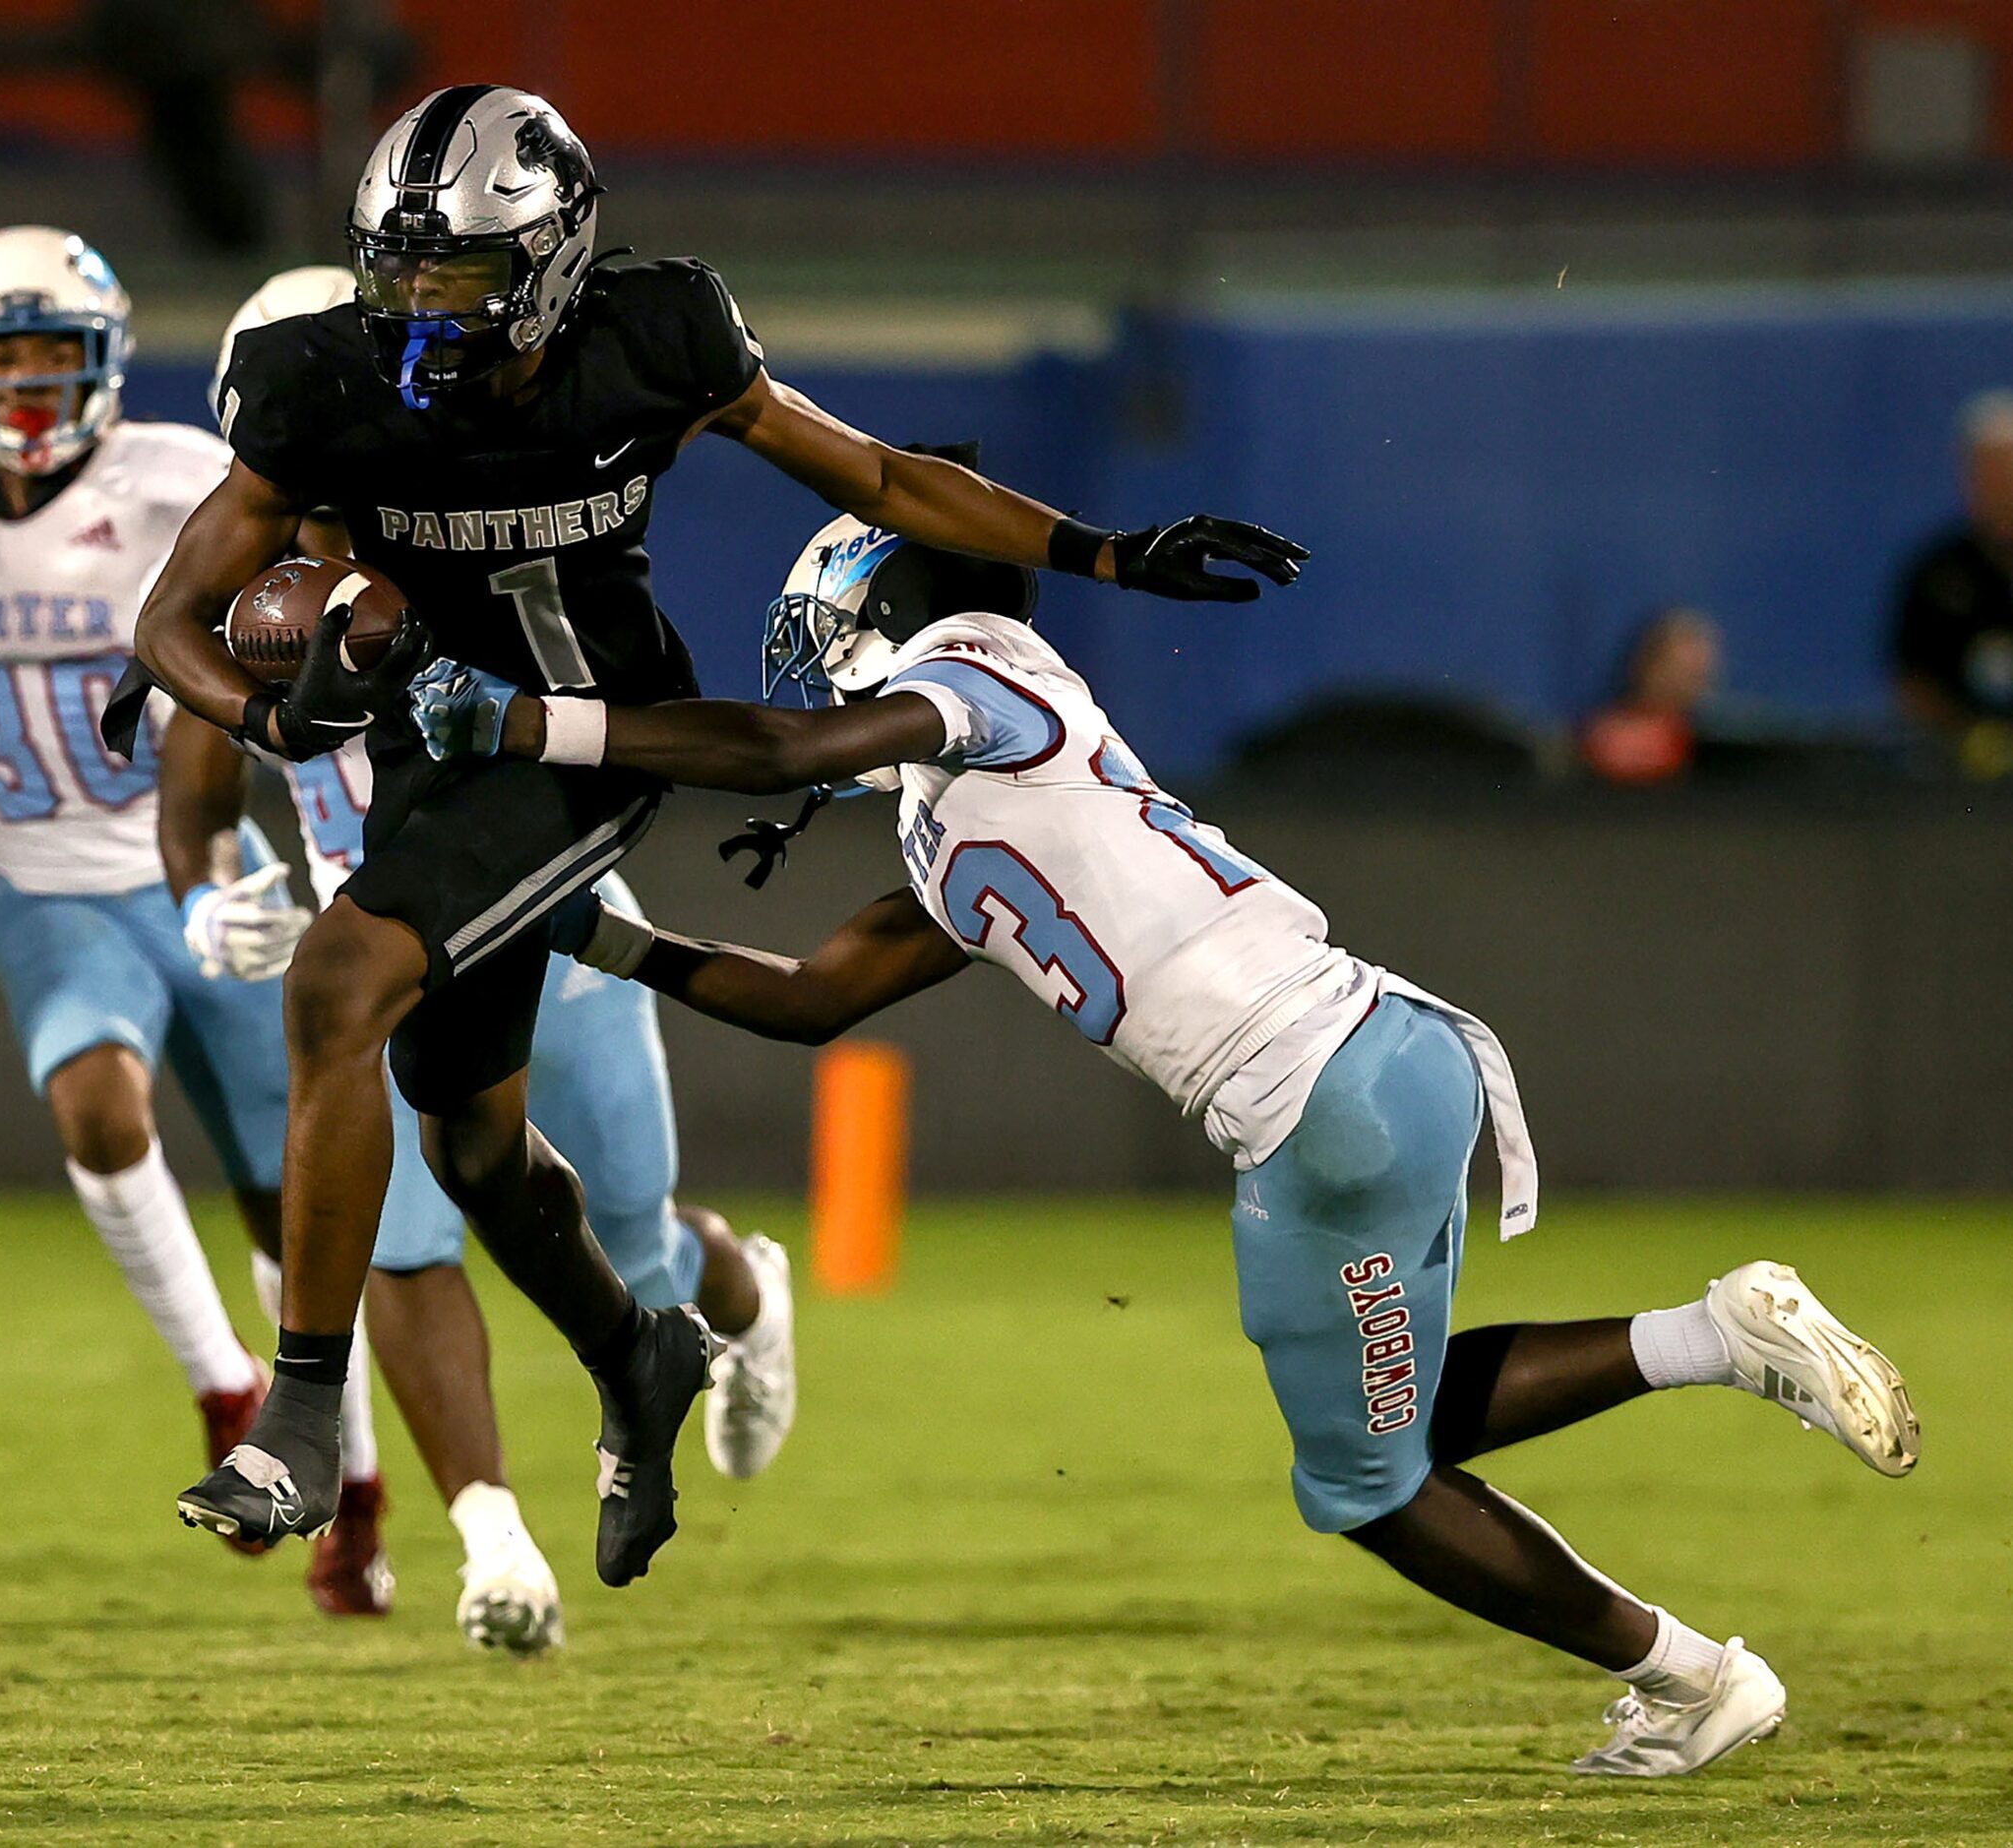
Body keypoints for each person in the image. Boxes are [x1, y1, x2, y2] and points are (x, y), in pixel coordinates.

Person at [408, 508, 1922, 1776]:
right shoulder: (950, 830)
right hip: (1382, 1055)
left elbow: (783, 745)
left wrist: (547, 724)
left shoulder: (977, 665)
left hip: (1312, 1103)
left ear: (870, 623)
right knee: (1395, 1430)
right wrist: (598, 935)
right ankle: (1713, 1341)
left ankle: (1693, 1673)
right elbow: (811, 999)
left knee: (1370, 1487)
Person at [115, 84, 1304, 1584]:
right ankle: (638, 1355)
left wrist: (1104, 552)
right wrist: (266, 714)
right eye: (400, 268)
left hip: (597, 729)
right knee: (471, 1144)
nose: (423, 306)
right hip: (436, 753)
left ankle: (296, 1413)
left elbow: (872, 475)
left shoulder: (652, 336)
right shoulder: (317, 383)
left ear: (552, 258)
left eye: (464, 274)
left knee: (337, 980)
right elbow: (166, 618)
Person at [152, 268, 802, 1653]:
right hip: (382, 930)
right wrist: (213, 898)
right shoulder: (265, 571)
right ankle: (488, 1533)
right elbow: (192, 768)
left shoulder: (472, 528)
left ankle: (727, 1306)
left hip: (550, 904)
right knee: (414, 1221)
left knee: (632, 1225)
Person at [0, 224, 399, 1613]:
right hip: (51, 890)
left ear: (107, 362)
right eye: (5, 359)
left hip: (208, 876)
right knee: (97, 1112)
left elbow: (299, 607)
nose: (32, 385)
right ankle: (221, 1384)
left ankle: (349, 1487)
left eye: (57, 356)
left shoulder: (185, 475)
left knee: (286, 1199)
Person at [1889, 390, 2013, 779]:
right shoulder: (1939, 571)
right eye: (1988, 469)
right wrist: (1964, 735)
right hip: (1958, 769)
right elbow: (1913, 678)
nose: (2001, 483)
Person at [1577, 606, 1722, 786]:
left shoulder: (1713, 750)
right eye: (1681, 670)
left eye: (1698, 674)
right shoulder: (1602, 737)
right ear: (1649, 664)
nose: (1693, 683)